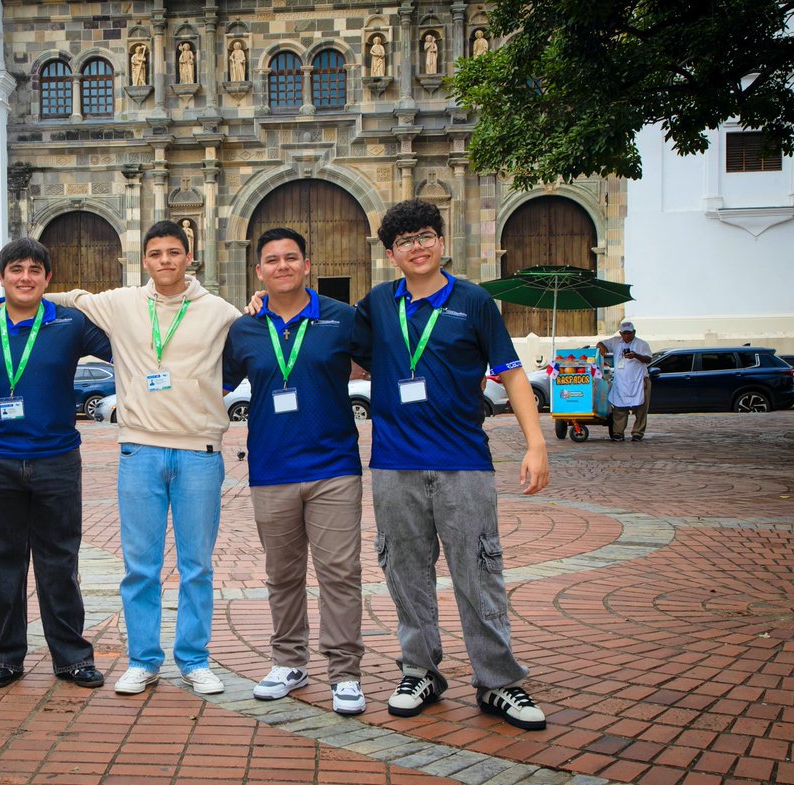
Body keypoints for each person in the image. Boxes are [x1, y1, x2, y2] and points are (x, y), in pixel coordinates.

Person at [352, 199, 550, 731]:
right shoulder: (375, 304)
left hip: (465, 462)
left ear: (441, 242)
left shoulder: (474, 302)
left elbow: (511, 375)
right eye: (405, 241)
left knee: (478, 572)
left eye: (425, 236)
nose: (417, 247)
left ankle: (498, 683)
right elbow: (327, 336)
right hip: (395, 465)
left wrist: (536, 445)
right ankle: (420, 671)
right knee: (405, 573)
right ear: (391, 254)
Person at [47, 220, 240, 696]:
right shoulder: (121, 303)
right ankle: (143, 660)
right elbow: (67, 298)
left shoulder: (219, 311)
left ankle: (194, 659)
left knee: (197, 565)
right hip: (139, 450)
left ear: (188, 257)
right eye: (156, 254)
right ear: (145, 260)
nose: (166, 261)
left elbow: (252, 342)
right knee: (141, 567)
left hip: (200, 452)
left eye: (174, 252)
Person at [0, 238, 112, 691]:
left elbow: (132, 348)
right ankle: (5, 657)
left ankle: (71, 657)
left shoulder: (70, 323)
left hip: (56, 459)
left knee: (59, 561)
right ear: (1, 276)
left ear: (48, 278)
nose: (25, 277)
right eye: (16, 269)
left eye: (34, 270)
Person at [223, 228, 366, 716]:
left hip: (333, 468)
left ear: (307, 265)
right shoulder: (244, 329)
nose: (282, 266)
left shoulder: (341, 319)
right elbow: (209, 380)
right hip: (271, 469)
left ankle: (345, 672)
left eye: (291, 258)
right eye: (272, 260)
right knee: (281, 575)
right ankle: (289, 663)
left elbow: (391, 362)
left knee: (340, 573)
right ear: (258, 271)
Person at [597, 321, 652, 441]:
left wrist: (636, 356)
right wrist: (600, 345)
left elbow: (648, 359)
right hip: (622, 382)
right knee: (619, 408)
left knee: (641, 409)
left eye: (629, 333)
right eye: (624, 333)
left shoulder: (641, 344)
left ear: (634, 332)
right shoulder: (615, 341)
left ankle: (637, 432)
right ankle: (618, 432)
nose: (626, 336)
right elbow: (600, 343)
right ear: (621, 333)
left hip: (639, 381)